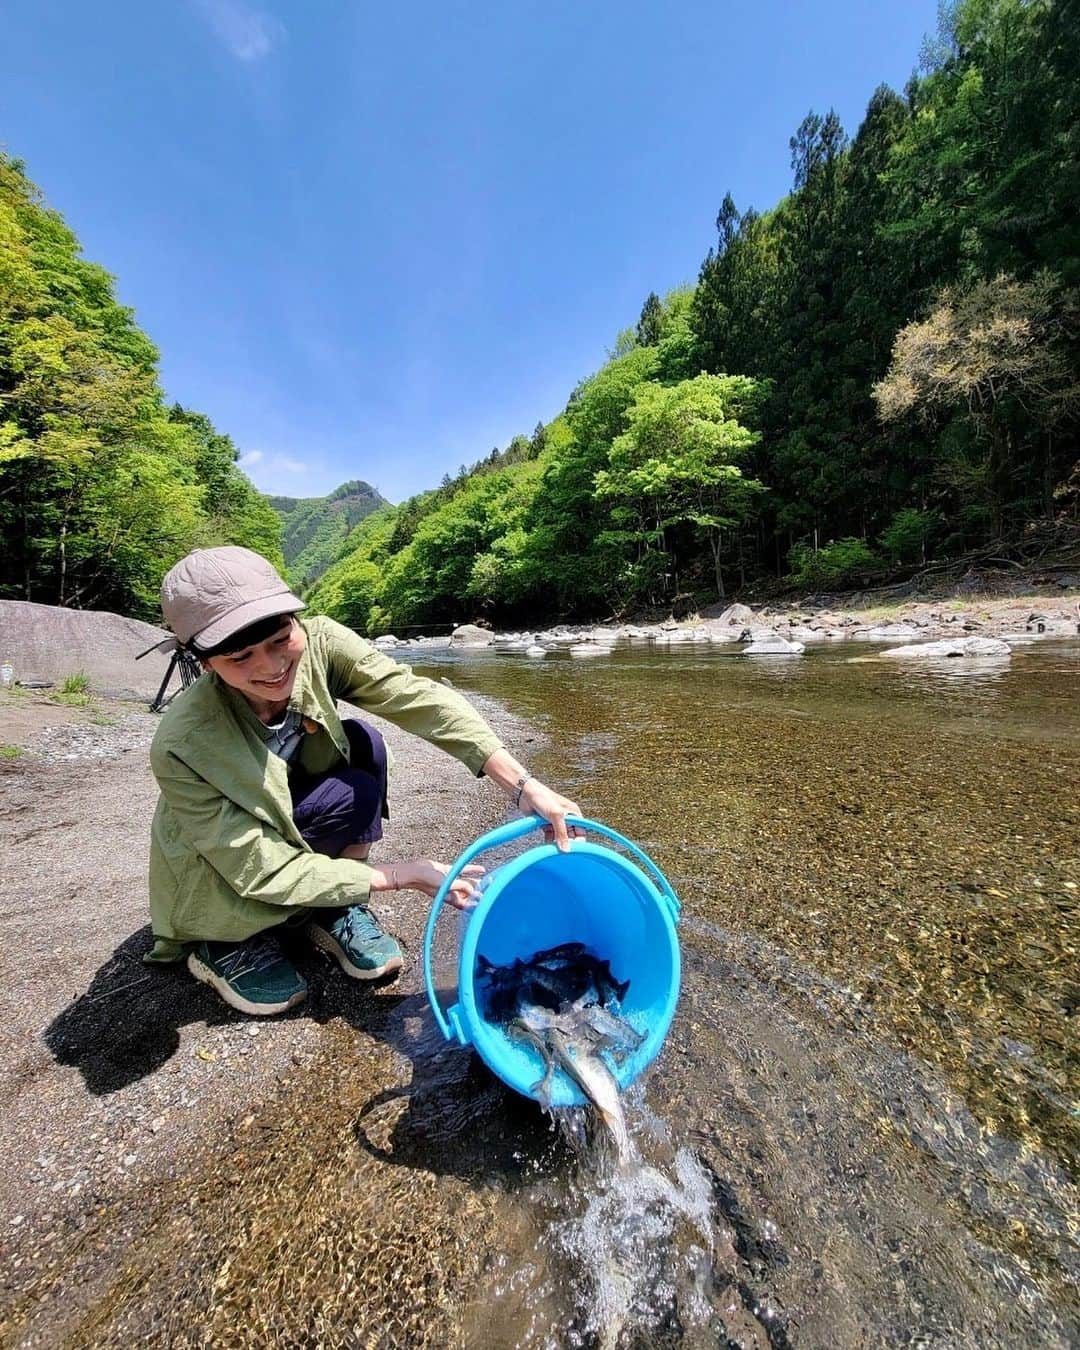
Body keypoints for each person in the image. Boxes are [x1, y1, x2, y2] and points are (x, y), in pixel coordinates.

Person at [146, 545, 581, 1016]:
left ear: (295, 620)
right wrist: (398, 876)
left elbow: (414, 697)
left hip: (287, 813)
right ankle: (219, 943)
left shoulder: (322, 643)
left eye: (279, 640)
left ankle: (332, 907)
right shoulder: (181, 743)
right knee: (234, 899)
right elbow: (256, 864)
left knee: (364, 742)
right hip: (222, 857)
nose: (271, 668)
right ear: (204, 661)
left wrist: (522, 784)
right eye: (241, 657)